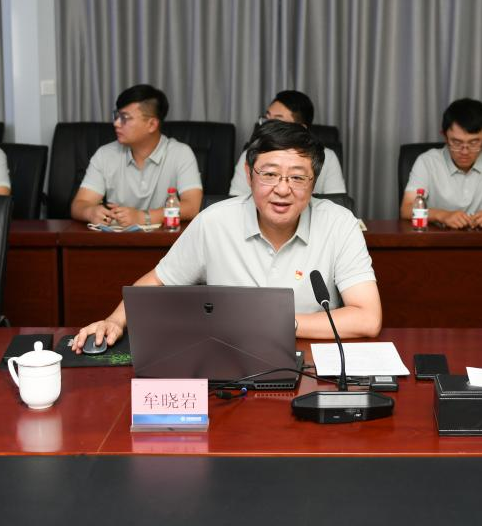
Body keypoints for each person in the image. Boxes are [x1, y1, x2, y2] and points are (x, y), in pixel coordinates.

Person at [69, 120, 381, 352]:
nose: (283, 189)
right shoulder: (214, 222)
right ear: (249, 175)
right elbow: (156, 282)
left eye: (298, 177)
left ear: (313, 182)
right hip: (228, 360)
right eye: (270, 174)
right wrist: (115, 321)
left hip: (312, 362)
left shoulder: (339, 224)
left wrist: (278, 322)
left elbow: (367, 318)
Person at [70, 84, 203, 226]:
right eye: (116, 116)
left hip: (165, 237)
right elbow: (80, 204)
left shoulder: (181, 154)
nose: (116, 123)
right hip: (117, 236)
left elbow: (192, 206)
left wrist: (144, 217)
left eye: (125, 118)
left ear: (152, 125)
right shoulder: (105, 154)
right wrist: (90, 212)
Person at [399, 98, 482, 229]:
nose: (465, 151)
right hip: (437, 237)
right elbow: (406, 209)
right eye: (456, 142)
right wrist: (441, 215)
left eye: (474, 142)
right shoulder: (427, 161)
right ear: (445, 136)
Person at [229, 90, 346, 196]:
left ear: (301, 128)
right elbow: (236, 201)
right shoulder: (252, 153)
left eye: (277, 120)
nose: (267, 125)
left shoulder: (328, 157)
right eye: (266, 118)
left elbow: (337, 201)